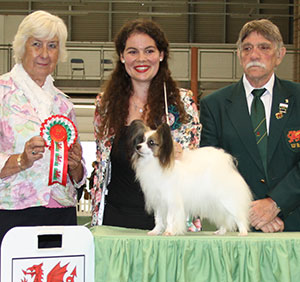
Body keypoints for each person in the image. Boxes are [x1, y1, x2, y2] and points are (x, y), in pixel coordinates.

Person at [92, 19, 201, 229]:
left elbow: (192, 162)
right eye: (132, 52)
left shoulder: (184, 103)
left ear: (161, 55)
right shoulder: (104, 104)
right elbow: (102, 163)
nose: (141, 59)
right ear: (122, 57)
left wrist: (182, 155)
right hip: (116, 220)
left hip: (169, 223)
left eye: (149, 51)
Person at [200, 19, 300, 232]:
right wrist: (252, 213)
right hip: (238, 226)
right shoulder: (214, 105)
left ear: (280, 55)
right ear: (239, 55)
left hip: (294, 225)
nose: (254, 55)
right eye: (247, 48)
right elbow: (211, 170)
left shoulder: (298, 98)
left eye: (264, 47)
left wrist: (275, 204)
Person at [0, 10, 86, 244]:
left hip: (61, 213)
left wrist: (75, 166)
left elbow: (79, 178)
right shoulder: (2, 92)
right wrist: (21, 161)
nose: (44, 54)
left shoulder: (64, 103)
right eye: (37, 44)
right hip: (11, 213)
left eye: (53, 46)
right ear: (21, 47)